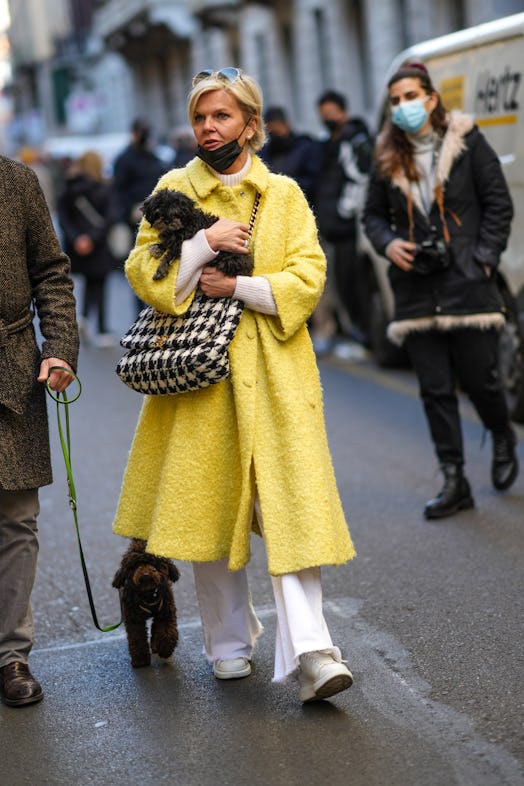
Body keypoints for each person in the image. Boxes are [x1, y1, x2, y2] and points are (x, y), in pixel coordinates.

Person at [113, 67, 356, 703]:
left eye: (221, 117)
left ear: (251, 124)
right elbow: (144, 272)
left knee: (291, 516)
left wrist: (240, 285)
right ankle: (227, 643)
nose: (208, 128)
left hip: (274, 377)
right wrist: (201, 244)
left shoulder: (283, 195)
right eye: (200, 118)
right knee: (206, 513)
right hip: (200, 381)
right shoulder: (173, 189)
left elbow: (308, 274)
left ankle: (313, 652)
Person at [362, 62, 517, 519]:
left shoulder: (468, 143)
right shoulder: (385, 155)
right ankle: (454, 479)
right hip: (414, 290)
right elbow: (371, 215)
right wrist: (389, 244)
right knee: (434, 389)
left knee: (482, 381)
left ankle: (501, 432)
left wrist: (483, 259)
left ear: (431, 99)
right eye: (394, 101)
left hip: (467, 285)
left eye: (410, 96)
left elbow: (498, 205)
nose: (402, 106)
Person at [0, 155, 79, 707]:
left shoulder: (16, 182)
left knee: (16, 519)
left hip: (12, 369)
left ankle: (11, 655)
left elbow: (51, 273)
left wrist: (58, 350)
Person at [314, 90, 374, 348]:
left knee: (354, 284)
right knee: (342, 284)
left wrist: (342, 214)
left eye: (330, 114)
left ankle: (364, 334)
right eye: (323, 115)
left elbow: (359, 180)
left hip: (351, 229)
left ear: (343, 112)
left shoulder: (354, 142)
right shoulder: (330, 144)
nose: (327, 119)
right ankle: (357, 333)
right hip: (334, 230)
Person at [57, 151, 120, 347]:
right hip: (98, 245)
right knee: (99, 283)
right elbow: (110, 216)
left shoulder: (69, 187)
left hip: (77, 247)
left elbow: (64, 217)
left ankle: (83, 317)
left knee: (88, 280)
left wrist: (77, 239)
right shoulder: (104, 187)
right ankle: (101, 329)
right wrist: (92, 238)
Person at [259, 105, 321, 206]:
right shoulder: (264, 152)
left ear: (287, 125)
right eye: (271, 131)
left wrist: (286, 185)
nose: (275, 135)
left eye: (277, 130)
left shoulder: (305, 147)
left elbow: (314, 180)